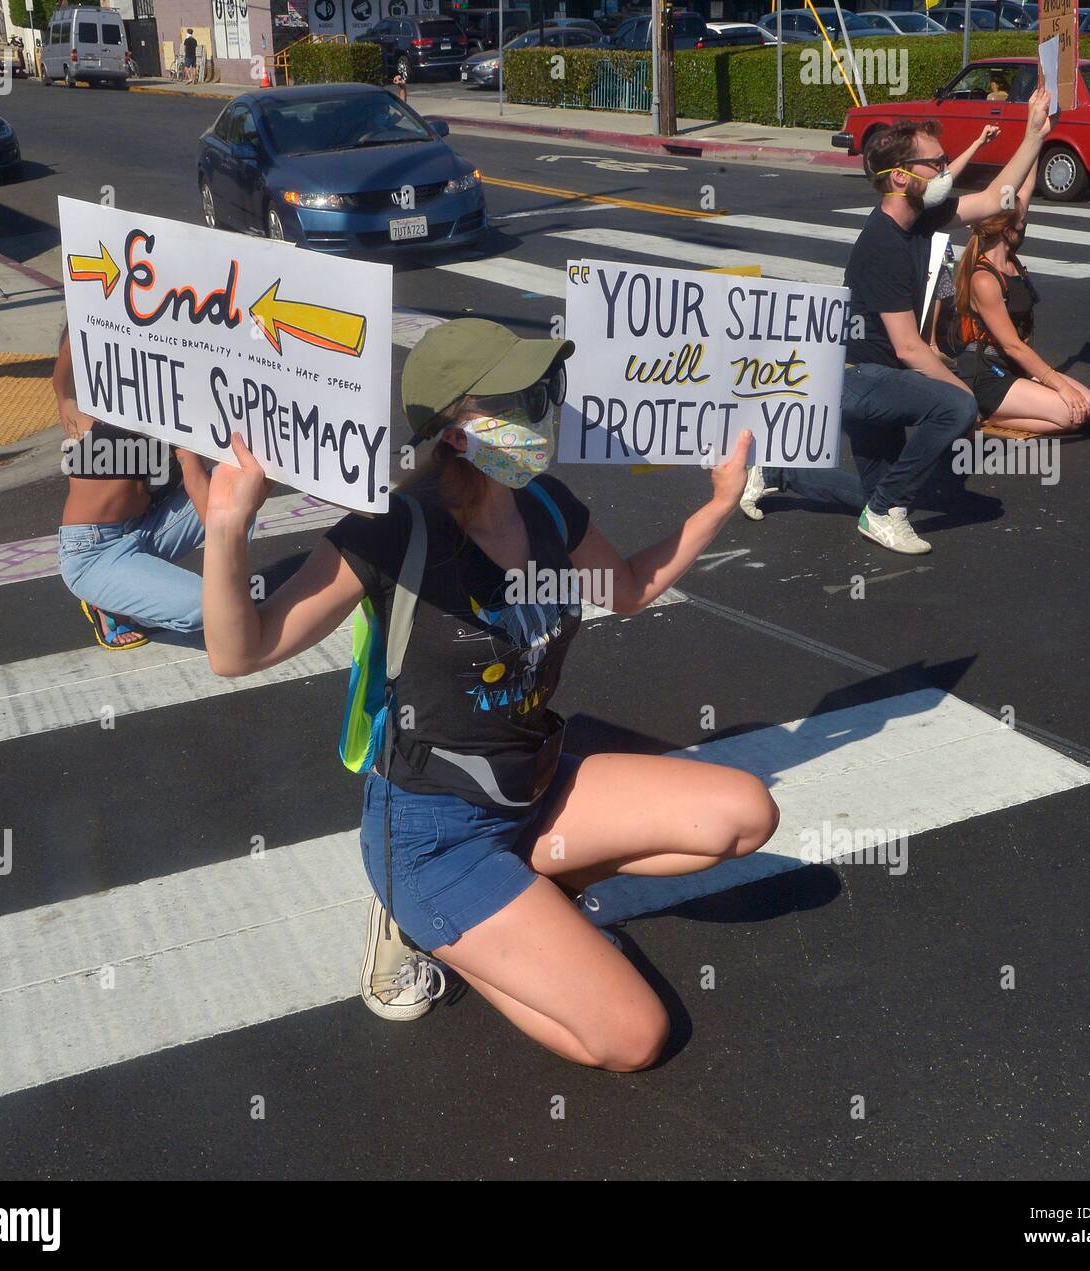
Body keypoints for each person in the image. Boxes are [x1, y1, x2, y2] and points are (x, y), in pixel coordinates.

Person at [200, 319, 780, 1072]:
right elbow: (239, 650)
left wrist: (720, 501)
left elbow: (629, 588)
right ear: (455, 428)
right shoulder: (394, 530)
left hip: (532, 787)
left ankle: (525, 889)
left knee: (744, 815)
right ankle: (429, 925)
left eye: (546, 390)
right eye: (521, 398)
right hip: (431, 832)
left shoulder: (544, 504)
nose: (543, 411)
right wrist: (227, 525)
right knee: (634, 1035)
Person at [748, 91, 1053, 555]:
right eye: (935, 163)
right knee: (953, 409)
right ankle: (885, 513)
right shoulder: (883, 244)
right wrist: (961, 394)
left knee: (873, 493)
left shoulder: (920, 220)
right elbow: (910, 349)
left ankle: (777, 472)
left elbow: (995, 198)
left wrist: (1033, 134)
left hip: (878, 376)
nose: (945, 171)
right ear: (900, 175)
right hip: (858, 379)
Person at [53, 326, 214, 649]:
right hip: (93, 551)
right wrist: (94, 310)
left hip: (148, 529)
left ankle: (134, 585)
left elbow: (205, 492)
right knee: (208, 608)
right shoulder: (84, 412)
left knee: (236, 497)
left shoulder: (167, 399)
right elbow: (68, 359)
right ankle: (109, 600)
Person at [951, 165, 1090, 434]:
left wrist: (1037, 139)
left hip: (1013, 368)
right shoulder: (984, 279)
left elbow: (1023, 190)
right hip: (987, 374)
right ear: (1006, 228)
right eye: (1022, 221)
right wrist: (1061, 386)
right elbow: (1012, 346)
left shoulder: (1011, 262)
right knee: (1073, 415)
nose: (1025, 224)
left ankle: (1000, 409)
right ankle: (989, 413)